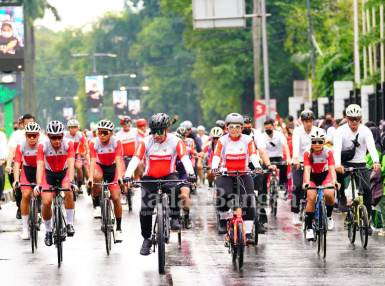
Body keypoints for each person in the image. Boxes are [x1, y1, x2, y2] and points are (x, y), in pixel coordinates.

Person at [124, 113, 196, 256]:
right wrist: (127, 175)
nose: (156, 135)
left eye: (159, 131)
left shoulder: (175, 141)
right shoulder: (146, 141)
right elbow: (135, 159)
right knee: (145, 210)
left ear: (166, 130)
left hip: (169, 175)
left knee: (175, 188)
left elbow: (185, 158)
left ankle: (174, 216)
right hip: (150, 177)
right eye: (153, 131)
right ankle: (146, 239)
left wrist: (191, 173)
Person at [211, 113, 261, 241]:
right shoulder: (222, 140)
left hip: (243, 173)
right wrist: (214, 167)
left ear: (242, 128)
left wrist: (257, 166)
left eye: (238, 127)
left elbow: (253, 154)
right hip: (226, 173)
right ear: (227, 128)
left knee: (249, 198)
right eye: (231, 127)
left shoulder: (248, 140)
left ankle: (248, 232)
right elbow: (216, 155)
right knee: (224, 194)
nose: (234, 130)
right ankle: (223, 219)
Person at [334, 104, 380, 230]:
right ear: (346, 118)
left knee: (367, 190)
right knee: (342, 185)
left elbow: (372, 147)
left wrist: (376, 161)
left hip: (361, 164)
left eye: (357, 118)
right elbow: (336, 149)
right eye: (351, 118)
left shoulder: (365, 130)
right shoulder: (340, 131)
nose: (354, 121)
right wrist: (337, 164)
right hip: (345, 165)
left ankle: (367, 221)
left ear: (361, 118)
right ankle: (343, 201)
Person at [34, 121, 77, 246]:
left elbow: (71, 164)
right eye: (53, 137)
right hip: (49, 175)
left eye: (59, 137)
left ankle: (69, 224)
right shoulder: (43, 146)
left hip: (64, 173)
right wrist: (38, 184)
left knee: (68, 190)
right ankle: (48, 231)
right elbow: (40, 165)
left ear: (63, 135)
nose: (57, 140)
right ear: (48, 136)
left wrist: (72, 181)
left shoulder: (68, 144)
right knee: (46, 202)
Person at [88, 119, 124, 242]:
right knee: (96, 178)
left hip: (113, 167)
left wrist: (119, 176)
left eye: (105, 133)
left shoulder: (116, 142)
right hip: (99, 165)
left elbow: (119, 160)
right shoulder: (94, 142)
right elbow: (92, 161)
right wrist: (90, 178)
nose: (101, 135)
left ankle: (119, 228)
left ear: (111, 133)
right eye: (99, 132)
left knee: (116, 198)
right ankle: (97, 204)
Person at [302, 128, 338, 240]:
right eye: (314, 142)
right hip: (312, 177)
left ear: (324, 142)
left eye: (320, 141)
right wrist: (307, 183)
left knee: (329, 194)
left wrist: (335, 181)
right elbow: (307, 170)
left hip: (324, 175)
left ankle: (328, 216)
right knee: (311, 197)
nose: (317, 144)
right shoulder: (307, 153)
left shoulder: (328, 152)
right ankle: (309, 228)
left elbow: (332, 169)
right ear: (311, 142)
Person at [12, 122, 41, 239]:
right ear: (26, 136)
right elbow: (17, 163)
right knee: (26, 194)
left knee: (45, 194)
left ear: (39, 135)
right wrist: (15, 180)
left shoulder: (43, 145)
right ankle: (24, 228)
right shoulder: (21, 145)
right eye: (29, 135)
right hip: (27, 171)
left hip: (40, 170)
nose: (32, 138)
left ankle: (39, 212)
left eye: (34, 135)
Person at [291, 110, 319, 225]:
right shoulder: (297, 131)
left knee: (317, 187)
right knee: (296, 187)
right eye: (306, 121)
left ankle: (317, 210)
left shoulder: (318, 131)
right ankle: (295, 213)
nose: (308, 123)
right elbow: (296, 145)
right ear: (302, 122)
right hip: (300, 162)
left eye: (310, 121)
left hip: (315, 163)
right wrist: (296, 158)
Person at [5, 114, 35, 219]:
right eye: (27, 124)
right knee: (17, 186)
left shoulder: (38, 134)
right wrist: (8, 165)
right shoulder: (16, 135)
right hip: (20, 163)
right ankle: (20, 206)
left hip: (35, 164)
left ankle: (38, 205)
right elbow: (12, 151)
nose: (29, 126)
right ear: (22, 124)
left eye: (32, 123)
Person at [262, 118, 291, 189]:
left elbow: (285, 146)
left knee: (284, 166)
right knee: (262, 176)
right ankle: (264, 193)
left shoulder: (279, 134)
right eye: (266, 128)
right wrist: (260, 159)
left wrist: (288, 158)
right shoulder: (262, 136)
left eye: (269, 128)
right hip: (267, 158)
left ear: (273, 127)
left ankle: (282, 185)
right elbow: (261, 149)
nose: (268, 129)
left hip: (278, 157)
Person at [64, 119, 87, 192]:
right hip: (67, 155)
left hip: (76, 154)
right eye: (71, 127)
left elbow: (85, 144)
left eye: (75, 127)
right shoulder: (65, 135)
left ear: (78, 128)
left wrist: (86, 152)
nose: (73, 129)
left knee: (79, 167)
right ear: (68, 128)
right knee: (66, 169)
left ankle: (80, 185)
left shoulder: (80, 134)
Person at [0, 128, 7, 207]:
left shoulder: (2, 135)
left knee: (1, 176)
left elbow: (4, 148)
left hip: (0, 160)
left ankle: (1, 193)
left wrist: (2, 159)